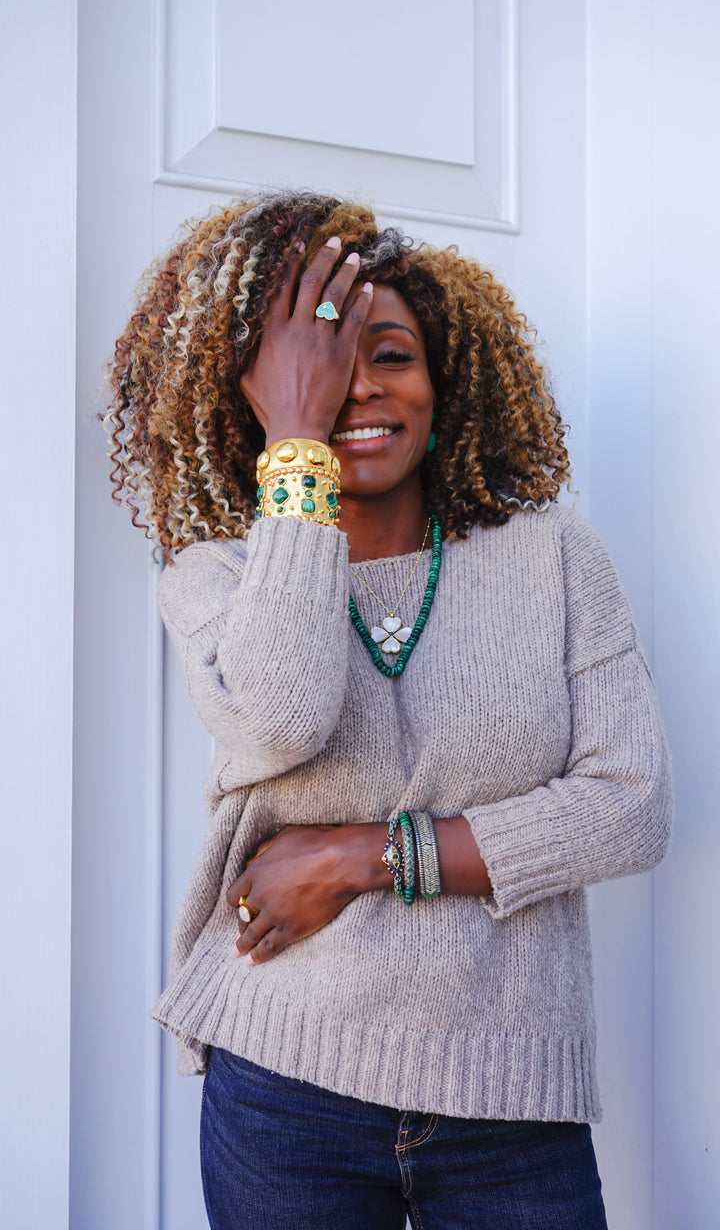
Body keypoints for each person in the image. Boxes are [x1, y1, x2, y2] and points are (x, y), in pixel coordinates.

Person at [105, 190, 672, 1230]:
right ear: (253, 393)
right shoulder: (217, 572)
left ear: (446, 377)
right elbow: (282, 717)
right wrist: (297, 453)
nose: (357, 387)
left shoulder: (552, 557)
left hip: (513, 1099)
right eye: (315, 367)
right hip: (286, 1085)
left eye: (392, 353)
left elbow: (628, 804)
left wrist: (366, 854)